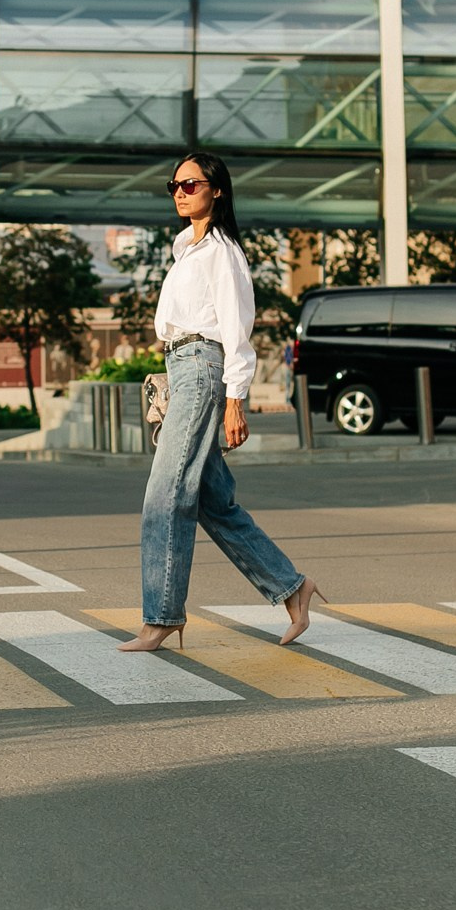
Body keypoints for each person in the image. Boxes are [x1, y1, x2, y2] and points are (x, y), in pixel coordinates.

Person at [119, 152, 323, 653]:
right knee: (212, 502)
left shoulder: (222, 251)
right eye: (174, 185)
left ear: (218, 190)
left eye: (191, 184)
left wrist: (237, 399)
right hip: (181, 366)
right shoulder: (185, 248)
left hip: (203, 369)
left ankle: (161, 617)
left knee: (164, 496)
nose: (181, 192)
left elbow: (236, 331)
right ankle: (293, 589)